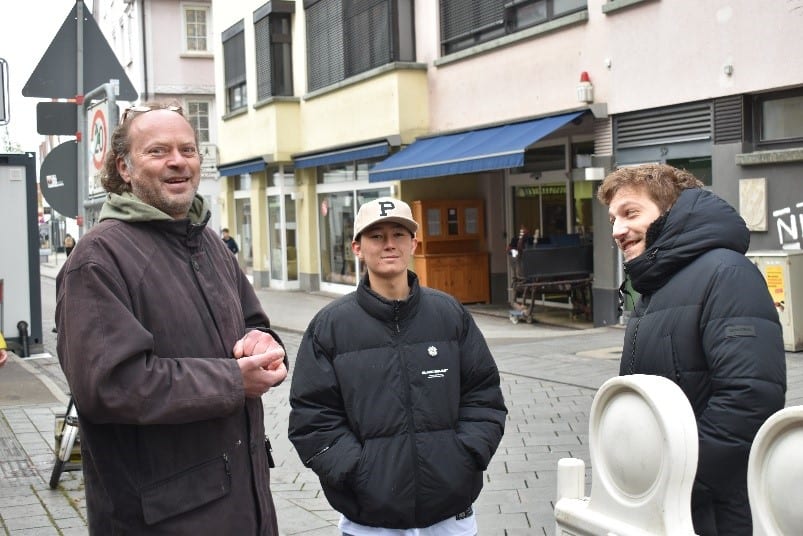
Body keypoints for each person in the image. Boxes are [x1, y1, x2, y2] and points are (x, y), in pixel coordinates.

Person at [55, 101, 288, 535]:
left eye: (188, 149)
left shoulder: (211, 245)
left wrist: (263, 344)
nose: (178, 161)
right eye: (158, 151)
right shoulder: (97, 259)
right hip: (162, 520)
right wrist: (232, 380)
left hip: (245, 505)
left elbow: (255, 322)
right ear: (124, 168)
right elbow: (109, 387)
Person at [288, 197, 507, 535]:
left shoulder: (449, 315)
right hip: (369, 521)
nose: (389, 244)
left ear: (413, 243)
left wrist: (463, 457)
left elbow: (483, 396)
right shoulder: (330, 327)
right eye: (376, 236)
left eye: (399, 234)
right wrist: (358, 472)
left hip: (450, 516)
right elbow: (312, 417)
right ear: (357, 248)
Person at [597, 164, 786, 535]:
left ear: (671, 212)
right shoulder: (654, 284)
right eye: (613, 219)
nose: (617, 230)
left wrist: (679, 481)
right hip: (664, 503)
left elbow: (748, 398)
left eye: (631, 213)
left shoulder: (727, 273)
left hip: (708, 511)